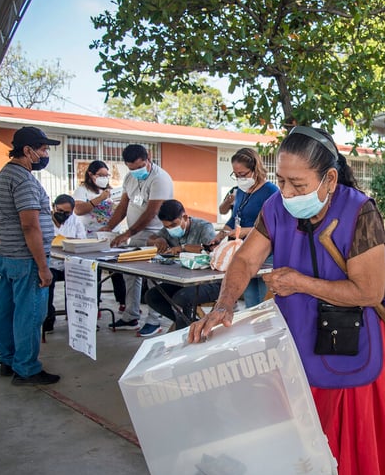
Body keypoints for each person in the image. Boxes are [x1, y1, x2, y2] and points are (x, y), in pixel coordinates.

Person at [189, 127, 385, 475]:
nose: (289, 193)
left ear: (329, 179)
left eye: (299, 184)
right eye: (282, 181)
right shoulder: (275, 207)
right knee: (300, 436)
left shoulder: (360, 211)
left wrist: (299, 282)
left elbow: (367, 291)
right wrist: (223, 306)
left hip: (352, 341)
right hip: (296, 337)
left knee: (343, 445)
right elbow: (243, 261)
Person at [0, 126, 61, 386]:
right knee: (30, 314)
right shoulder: (22, 179)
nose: (45, 154)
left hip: (8, 255)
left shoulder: (6, 174)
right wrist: (43, 267)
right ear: (28, 151)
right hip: (26, 258)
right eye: (42, 149)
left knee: (7, 311)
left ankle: (8, 360)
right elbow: (29, 225)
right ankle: (27, 368)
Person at [101, 144, 174, 337]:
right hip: (133, 234)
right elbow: (123, 205)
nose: (135, 171)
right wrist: (109, 227)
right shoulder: (129, 177)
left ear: (148, 158)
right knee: (131, 275)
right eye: (131, 168)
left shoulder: (160, 179)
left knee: (153, 278)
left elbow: (152, 212)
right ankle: (131, 315)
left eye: (139, 167)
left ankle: (154, 320)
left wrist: (127, 233)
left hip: (155, 236)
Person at [207, 147, 278, 307]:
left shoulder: (271, 191)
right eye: (236, 175)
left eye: (243, 174)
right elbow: (235, 218)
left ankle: (263, 331)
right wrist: (221, 234)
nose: (239, 178)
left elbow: (275, 224)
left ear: (256, 169)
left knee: (262, 302)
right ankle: (253, 330)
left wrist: (245, 231)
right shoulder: (240, 191)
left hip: (265, 254)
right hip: (243, 251)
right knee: (250, 299)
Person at [145, 200, 221, 330]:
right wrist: (159, 239)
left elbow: (212, 248)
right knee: (153, 296)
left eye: (173, 225)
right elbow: (149, 240)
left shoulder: (203, 227)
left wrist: (183, 248)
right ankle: (190, 325)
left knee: (181, 298)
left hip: (210, 281)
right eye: (167, 227)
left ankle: (185, 330)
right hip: (184, 280)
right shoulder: (167, 230)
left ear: (185, 217)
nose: (170, 229)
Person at [72, 159, 126, 310]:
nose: (104, 178)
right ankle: (95, 304)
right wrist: (100, 199)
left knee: (117, 271)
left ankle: (123, 301)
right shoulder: (82, 190)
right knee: (95, 271)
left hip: (111, 236)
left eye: (107, 175)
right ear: (91, 174)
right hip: (91, 238)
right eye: (101, 175)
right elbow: (78, 210)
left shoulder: (111, 190)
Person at [43, 194, 86, 332]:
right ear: (54, 207)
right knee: (47, 285)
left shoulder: (76, 221)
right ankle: (48, 318)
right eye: (59, 211)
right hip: (51, 264)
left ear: (72, 211)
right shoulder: (44, 221)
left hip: (70, 264)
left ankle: (77, 318)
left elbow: (82, 241)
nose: (62, 214)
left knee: (85, 281)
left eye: (66, 212)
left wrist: (65, 240)